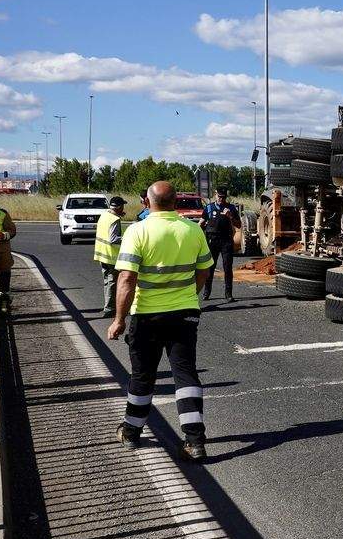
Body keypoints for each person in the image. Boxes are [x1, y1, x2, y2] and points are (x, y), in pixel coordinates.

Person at [108, 181, 214, 462]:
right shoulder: (191, 230)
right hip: (184, 314)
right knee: (185, 374)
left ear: (147, 201)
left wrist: (118, 319)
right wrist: (189, 293)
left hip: (147, 315)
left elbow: (127, 279)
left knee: (143, 375)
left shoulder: (138, 231)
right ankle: (194, 441)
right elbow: (205, 268)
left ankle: (131, 432)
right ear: (176, 201)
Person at [200, 187, 241, 301]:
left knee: (227, 267)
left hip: (226, 241)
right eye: (219, 197)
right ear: (215, 195)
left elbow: (239, 225)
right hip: (212, 240)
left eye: (223, 197)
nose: (221, 199)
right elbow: (201, 224)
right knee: (210, 268)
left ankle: (228, 294)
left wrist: (230, 217)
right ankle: (206, 292)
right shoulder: (209, 207)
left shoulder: (231, 208)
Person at [93, 195, 127, 316]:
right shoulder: (114, 219)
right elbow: (113, 239)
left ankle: (107, 306)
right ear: (119, 207)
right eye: (122, 205)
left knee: (107, 281)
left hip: (102, 254)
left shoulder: (105, 215)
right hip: (110, 256)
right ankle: (109, 309)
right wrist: (127, 238)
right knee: (112, 283)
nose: (124, 207)